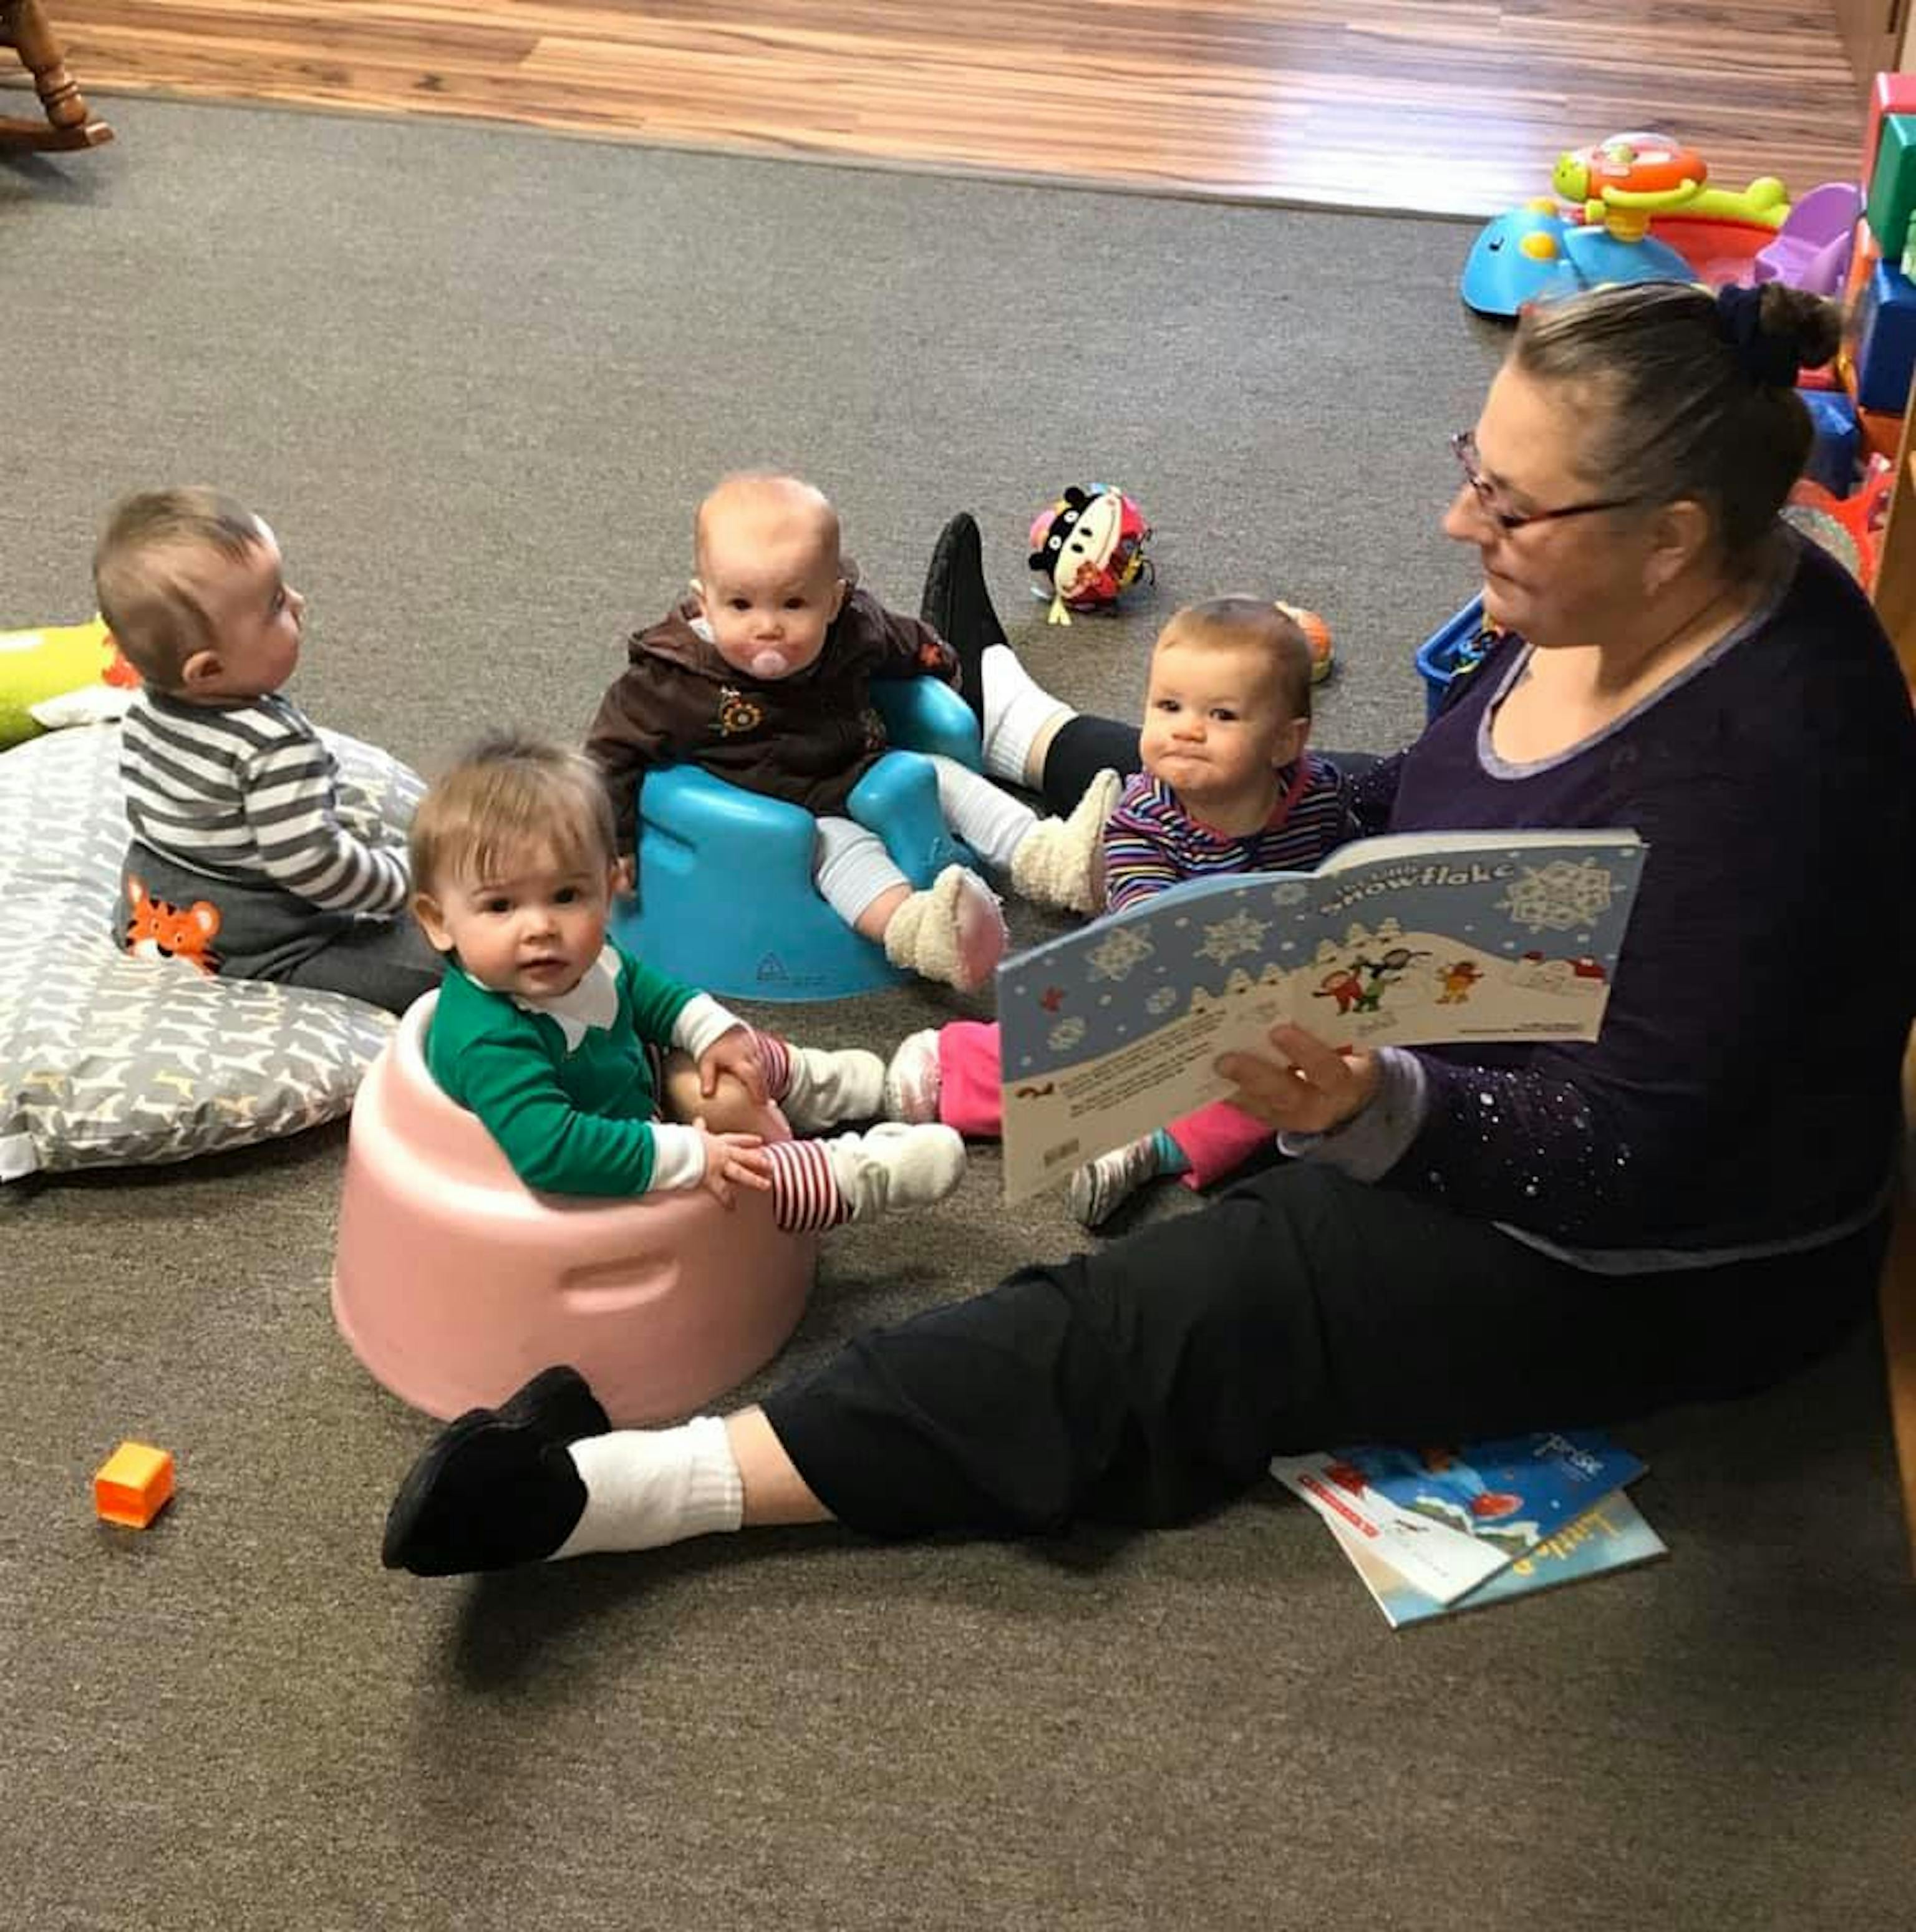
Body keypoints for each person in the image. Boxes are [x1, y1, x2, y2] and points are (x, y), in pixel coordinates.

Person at [382, 281, 1915, 1580]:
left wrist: (1377, 1104)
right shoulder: (1610, 608)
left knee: (1163, 1318)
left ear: (1667, 535)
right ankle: (1013, 712)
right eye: (1475, 462)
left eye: (1506, 502)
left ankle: (596, 1498)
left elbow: (1626, 1158)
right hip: (1466, 979)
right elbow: (1430, 798)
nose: (1457, 516)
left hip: (1626, 1242)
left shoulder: (1763, 782)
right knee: (1216, 773)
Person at [883, 596, 1357, 1229]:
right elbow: (1144, 932)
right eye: (1168, 707)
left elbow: (1347, 877)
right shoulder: (1141, 818)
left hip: (1270, 1003)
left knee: (1314, 1072)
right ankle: (958, 1075)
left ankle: (1150, 1147)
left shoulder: (1318, 794)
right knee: (1081, 1030)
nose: (1186, 729)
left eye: (1221, 714)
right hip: (1158, 981)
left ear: (1283, 741)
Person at [407, 732, 965, 1230]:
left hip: (629, 1095)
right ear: (438, 922)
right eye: (501, 906)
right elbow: (553, 1150)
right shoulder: (489, 1038)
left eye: (566, 896)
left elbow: (642, 988)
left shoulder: (581, 954)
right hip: (588, 1181)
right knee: (739, 1180)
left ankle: (845, 1085)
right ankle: (852, 1177)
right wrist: (691, 1153)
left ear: (610, 887)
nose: (541, 928)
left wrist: (711, 1030)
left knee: (726, 1064)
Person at [583, 473, 1119, 992]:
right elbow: (612, 754)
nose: (767, 626)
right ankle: (920, 931)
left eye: (794, 604)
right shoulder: (673, 679)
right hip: (786, 811)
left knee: (945, 777)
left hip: (863, 762)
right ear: (704, 602)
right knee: (843, 854)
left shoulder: (853, 627)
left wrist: (943, 667)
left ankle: (1049, 858)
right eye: (740, 605)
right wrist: (614, 843)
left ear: (833, 599)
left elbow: (906, 643)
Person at [96, 488, 445, 1013]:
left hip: (148, 908)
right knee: (449, 964)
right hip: (259, 945)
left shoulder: (143, 707)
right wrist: (407, 878)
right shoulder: (273, 747)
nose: (299, 602)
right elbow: (315, 869)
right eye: (276, 604)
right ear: (209, 669)